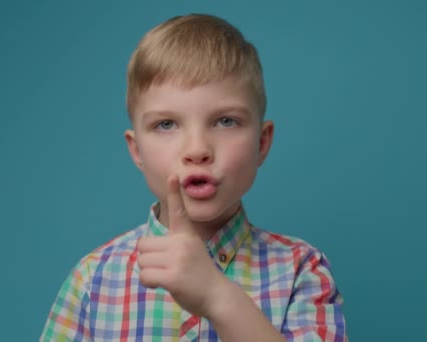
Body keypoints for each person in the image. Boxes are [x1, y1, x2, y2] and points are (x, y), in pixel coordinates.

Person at [40, 13, 347, 342]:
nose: (197, 149)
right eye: (166, 124)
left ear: (262, 143)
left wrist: (218, 297)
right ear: (137, 150)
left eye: (225, 121)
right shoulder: (92, 280)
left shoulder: (301, 270)